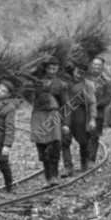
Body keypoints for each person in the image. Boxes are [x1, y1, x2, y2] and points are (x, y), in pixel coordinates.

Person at [30, 57, 68, 186]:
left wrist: (65, 124)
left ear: (57, 69)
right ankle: (48, 177)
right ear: (45, 68)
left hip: (53, 115)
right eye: (50, 68)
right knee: (42, 146)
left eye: (55, 68)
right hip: (38, 116)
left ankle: (54, 176)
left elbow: (65, 105)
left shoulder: (61, 85)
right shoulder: (37, 82)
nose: (52, 71)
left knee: (55, 146)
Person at [61, 65, 98, 174]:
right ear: (73, 71)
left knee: (83, 141)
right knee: (65, 141)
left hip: (81, 114)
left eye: (82, 73)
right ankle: (68, 167)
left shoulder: (88, 85)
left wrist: (92, 119)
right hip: (66, 113)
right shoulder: (65, 84)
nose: (78, 75)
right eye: (77, 72)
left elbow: (92, 103)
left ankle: (84, 163)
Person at [85, 56, 111, 163]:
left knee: (94, 137)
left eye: (99, 65)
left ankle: (90, 161)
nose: (96, 67)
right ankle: (84, 159)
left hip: (98, 114)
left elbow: (108, 98)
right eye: (94, 64)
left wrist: (95, 105)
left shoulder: (106, 82)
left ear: (102, 67)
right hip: (84, 113)